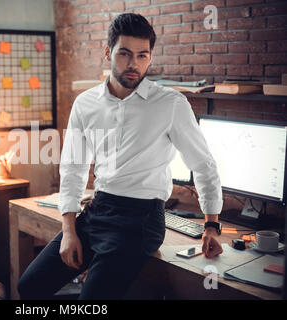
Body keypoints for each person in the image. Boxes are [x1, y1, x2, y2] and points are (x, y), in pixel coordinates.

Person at [18, 13, 223, 300]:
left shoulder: (171, 104)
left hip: (142, 220)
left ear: (150, 57)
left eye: (142, 55)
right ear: (108, 52)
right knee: (29, 287)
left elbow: (203, 164)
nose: (133, 64)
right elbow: (73, 168)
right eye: (124, 54)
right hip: (98, 211)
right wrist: (69, 230)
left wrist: (211, 224)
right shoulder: (85, 103)